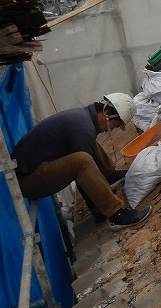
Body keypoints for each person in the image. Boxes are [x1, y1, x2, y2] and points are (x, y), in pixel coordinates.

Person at [12, 93, 153, 231]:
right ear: (107, 113)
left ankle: (110, 176)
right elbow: (83, 174)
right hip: (26, 181)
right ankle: (117, 215)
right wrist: (98, 210)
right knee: (82, 161)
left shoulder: (82, 119)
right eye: (116, 124)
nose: (112, 129)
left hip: (32, 171)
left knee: (87, 145)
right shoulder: (83, 127)